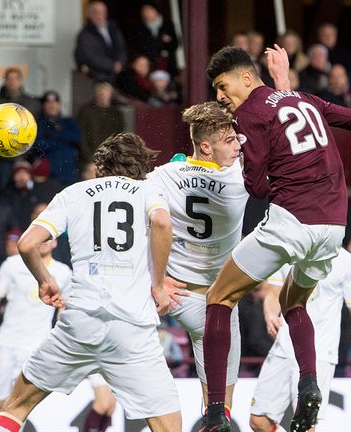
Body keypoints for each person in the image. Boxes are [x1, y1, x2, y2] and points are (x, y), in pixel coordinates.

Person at [201, 45, 351, 432]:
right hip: (333, 228)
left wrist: (247, 157)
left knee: (218, 298)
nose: (221, 96)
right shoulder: (305, 99)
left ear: (245, 77)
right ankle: (309, 382)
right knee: (294, 301)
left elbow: (255, 186)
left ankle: (216, 412)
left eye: (223, 86)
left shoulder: (249, 115)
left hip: (292, 221)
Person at [0, 133, 183, 432]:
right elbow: (162, 223)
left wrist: (45, 279)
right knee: (168, 426)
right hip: (131, 330)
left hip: (80, 322)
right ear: (140, 165)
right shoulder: (148, 191)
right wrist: (157, 284)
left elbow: (26, 244)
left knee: (15, 407)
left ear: (101, 164)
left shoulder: (73, 193)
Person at [147, 101, 249, 417]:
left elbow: (148, 223)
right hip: (219, 303)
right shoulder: (238, 175)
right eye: (229, 141)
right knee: (220, 408)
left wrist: (156, 279)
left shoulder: (163, 174)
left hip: (173, 295)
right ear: (206, 146)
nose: (237, 145)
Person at [250, 249, 351, 432]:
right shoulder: (290, 249)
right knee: (258, 420)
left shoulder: (346, 262)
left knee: (305, 426)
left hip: (321, 353)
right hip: (283, 348)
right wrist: (270, 314)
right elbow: (273, 292)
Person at [0, 236, 72, 427]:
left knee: (19, 407)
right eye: (42, 238)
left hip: (37, 348)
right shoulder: (12, 265)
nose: (44, 242)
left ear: (55, 243)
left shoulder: (63, 272)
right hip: (6, 344)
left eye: (49, 239)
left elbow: (65, 309)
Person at [31, 91, 82, 184]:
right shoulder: (37, 123)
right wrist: (63, 141)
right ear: (43, 105)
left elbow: (77, 138)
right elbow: (38, 145)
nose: (52, 105)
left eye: (55, 102)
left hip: (69, 173)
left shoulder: (68, 121)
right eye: (48, 103)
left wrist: (53, 136)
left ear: (59, 105)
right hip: (48, 175)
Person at [74, 0, 127, 82]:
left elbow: (122, 49)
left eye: (102, 12)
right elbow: (90, 57)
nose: (99, 15)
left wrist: (120, 63)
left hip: (117, 73)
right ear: (89, 14)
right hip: (97, 75)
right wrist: (111, 66)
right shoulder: (84, 34)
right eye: (95, 12)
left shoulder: (114, 29)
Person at [77, 81, 125, 166]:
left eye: (106, 92)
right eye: (100, 92)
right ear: (95, 93)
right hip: (88, 161)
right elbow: (81, 137)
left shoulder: (116, 114)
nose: (103, 95)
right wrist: (90, 160)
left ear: (111, 93)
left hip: (111, 160)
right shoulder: (86, 111)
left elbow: (119, 138)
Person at [133, 2, 178, 77]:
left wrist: (156, 42)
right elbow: (143, 47)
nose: (147, 14)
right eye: (144, 12)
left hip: (168, 65)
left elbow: (174, 44)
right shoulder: (141, 29)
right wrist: (161, 40)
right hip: (151, 66)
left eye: (149, 10)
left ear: (156, 11)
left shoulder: (167, 25)